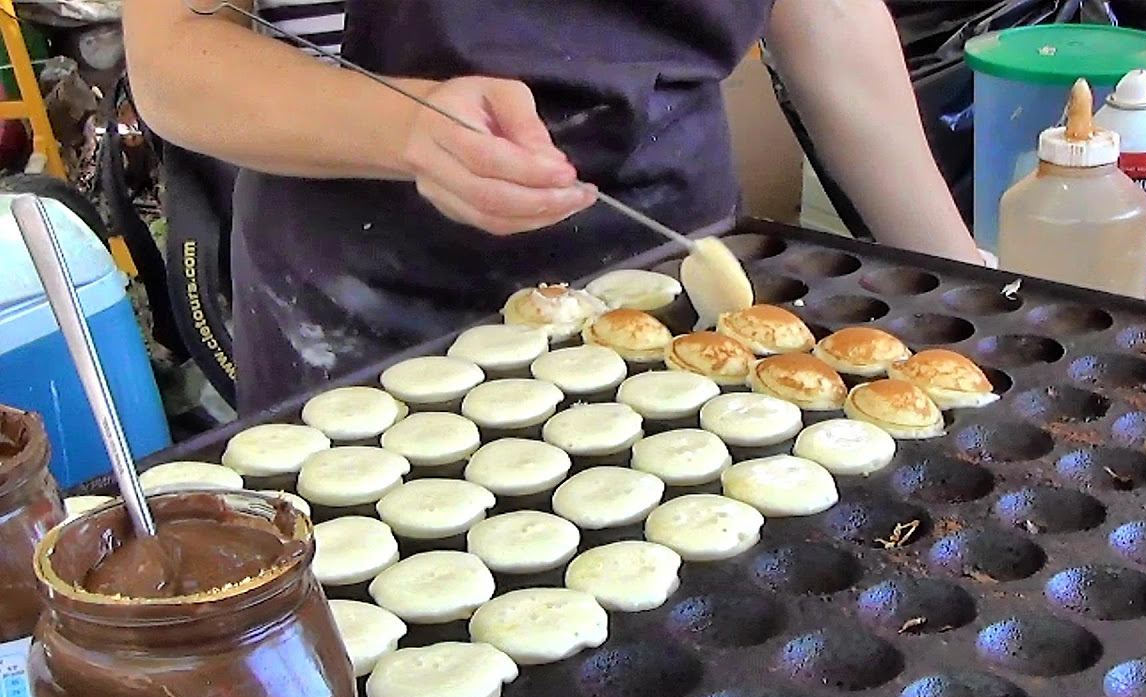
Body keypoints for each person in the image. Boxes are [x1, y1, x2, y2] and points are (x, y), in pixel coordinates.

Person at [124, 0, 985, 414]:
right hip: (368, 320)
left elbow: (823, 13)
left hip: (680, 283)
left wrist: (964, 284)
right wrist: (409, 128)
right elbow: (178, 58)